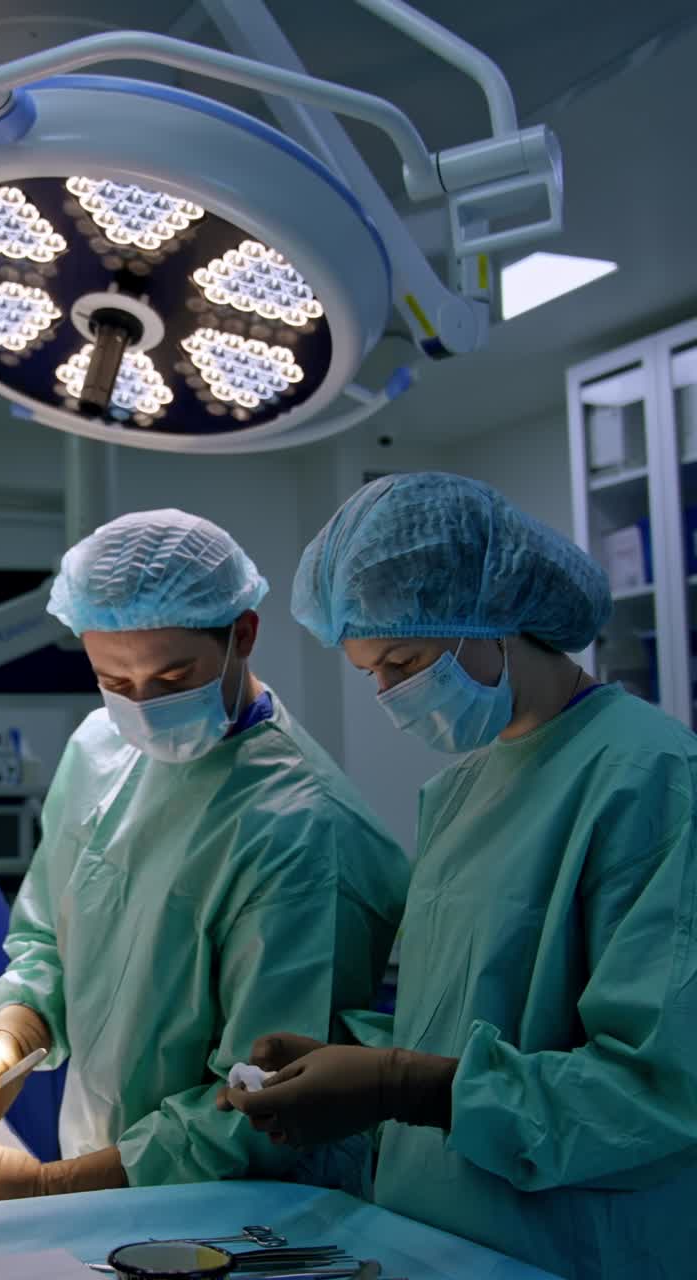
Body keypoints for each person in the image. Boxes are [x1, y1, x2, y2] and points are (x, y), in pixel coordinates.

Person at [220, 471, 697, 1280]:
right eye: (371, 671)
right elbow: (461, 1011)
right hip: (433, 1233)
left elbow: (657, 1092)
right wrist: (343, 1062)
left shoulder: (652, 777)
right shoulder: (460, 789)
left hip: (574, 1247)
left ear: (494, 616)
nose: (389, 694)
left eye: (402, 661)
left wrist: (403, 1086)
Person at [0, 509, 410, 1206]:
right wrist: (12, 1038)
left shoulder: (306, 830)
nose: (142, 708)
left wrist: (46, 1186)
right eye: (114, 682)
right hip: (99, 1180)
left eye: (172, 678)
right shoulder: (99, 748)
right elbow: (47, 937)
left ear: (243, 634)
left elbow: (260, 1102)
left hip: (250, 1214)